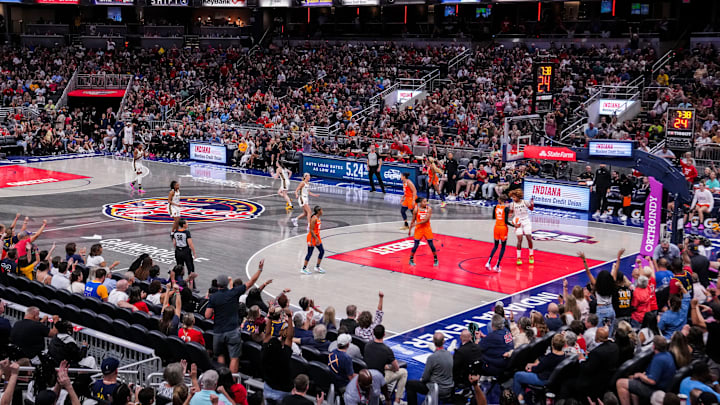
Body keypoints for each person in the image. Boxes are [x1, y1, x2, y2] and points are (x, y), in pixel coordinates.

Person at [205, 259, 264, 373]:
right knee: (234, 356)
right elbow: (251, 282)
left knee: (220, 355)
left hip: (218, 331)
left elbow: (207, 315)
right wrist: (260, 269)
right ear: (226, 283)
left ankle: (222, 377)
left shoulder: (213, 297)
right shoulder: (234, 293)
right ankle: (232, 380)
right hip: (232, 330)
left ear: (217, 284)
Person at [616, 335, 676, 405]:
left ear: (653, 346)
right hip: (664, 385)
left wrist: (640, 375)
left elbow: (652, 381)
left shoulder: (658, 359)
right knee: (631, 380)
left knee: (620, 383)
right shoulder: (668, 355)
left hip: (656, 390)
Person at [512, 334, 567, 403]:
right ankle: (521, 397)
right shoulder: (564, 355)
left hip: (543, 379)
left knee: (517, 375)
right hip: (552, 379)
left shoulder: (550, 357)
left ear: (552, 343)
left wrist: (530, 367)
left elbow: (537, 369)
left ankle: (515, 401)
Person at [406, 332, 453, 405]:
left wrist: (422, 380)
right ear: (444, 341)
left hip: (437, 389)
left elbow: (425, 377)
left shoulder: (432, 358)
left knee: (410, 384)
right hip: (449, 387)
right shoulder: (450, 355)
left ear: (433, 342)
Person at [364, 325, 407, 405]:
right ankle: (397, 401)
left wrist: (386, 367)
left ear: (373, 334)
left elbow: (372, 360)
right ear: (384, 334)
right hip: (379, 378)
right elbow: (396, 367)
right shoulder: (387, 350)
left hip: (367, 376)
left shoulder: (367, 345)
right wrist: (390, 368)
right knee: (403, 372)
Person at [262, 307, 295, 404]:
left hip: (268, 386)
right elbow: (290, 337)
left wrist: (270, 316)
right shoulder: (284, 356)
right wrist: (289, 317)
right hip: (283, 391)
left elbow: (267, 334)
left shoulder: (264, 352)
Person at [486, 195, 513, 272]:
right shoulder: (506, 208)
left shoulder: (495, 207)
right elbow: (506, 221)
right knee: (503, 247)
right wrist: (514, 226)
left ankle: (488, 262)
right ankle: (497, 266)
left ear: (500, 200)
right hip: (503, 228)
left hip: (496, 227)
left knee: (495, 246)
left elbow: (493, 217)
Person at [408, 197, 438, 267]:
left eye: (426, 202)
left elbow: (426, 220)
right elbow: (413, 220)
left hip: (427, 228)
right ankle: (411, 259)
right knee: (416, 245)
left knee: (431, 244)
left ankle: (436, 259)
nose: (426, 203)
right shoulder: (416, 209)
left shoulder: (429, 209)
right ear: (420, 203)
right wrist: (410, 229)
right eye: (424, 202)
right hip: (419, 229)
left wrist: (416, 223)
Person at [509, 189, 534, 265]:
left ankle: (531, 255)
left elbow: (531, 209)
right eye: (512, 197)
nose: (513, 199)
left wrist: (532, 204)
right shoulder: (512, 204)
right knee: (519, 239)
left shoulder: (524, 202)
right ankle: (519, 257)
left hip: (526, 220)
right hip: (518, 222)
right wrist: (511, 219)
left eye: (514, 197)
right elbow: (510, 213)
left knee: (528, 238)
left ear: (518, 196)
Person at [173, 219, 197, 290]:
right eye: (187, 223)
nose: (187, 224)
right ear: (183, 225)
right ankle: (192, 286)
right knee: (190, 268)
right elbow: (190, 243)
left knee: (180, 268)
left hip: (178, 251)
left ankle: (179, 283)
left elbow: (174, 243)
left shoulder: (176, 232)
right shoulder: (186, 232)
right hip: (185, 251)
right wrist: (194, 252)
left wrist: (177, 249)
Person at [301, 206, 325, 275]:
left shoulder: (318, 218)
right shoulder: (314, 219)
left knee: (322, 251)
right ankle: (304, 268)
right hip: (312, 237)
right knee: (310, 253)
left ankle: (317, 267)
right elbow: (311, 230)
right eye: (321, 210)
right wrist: (316, 238)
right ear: (318, 211)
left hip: (317, 237)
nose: (322, 211)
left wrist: (317, 238)